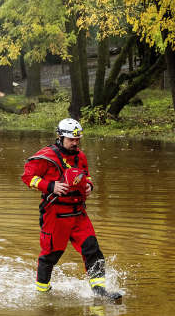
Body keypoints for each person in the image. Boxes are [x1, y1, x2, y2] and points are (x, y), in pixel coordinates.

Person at [21, 118, 119, 300]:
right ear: (60, 137)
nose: (75, 143)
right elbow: (27, 177)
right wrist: (51, 186)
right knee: (50, 256)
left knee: (93, 249)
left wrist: (89, 185)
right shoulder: (46, 156)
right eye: (71, 140)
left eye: (78, 139)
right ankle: (42, 294)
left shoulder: (80, 156)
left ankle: (99, 292)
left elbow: (86, 176)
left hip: (79, 214)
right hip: (55, 215)